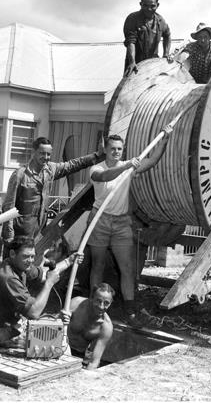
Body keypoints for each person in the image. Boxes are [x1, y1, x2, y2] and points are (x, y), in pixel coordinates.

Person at [87, 127, 172, 327]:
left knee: (127, 268)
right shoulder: (96, 169)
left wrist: (165, 139)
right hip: (99, 220)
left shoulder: (128, 166)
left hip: (121, 222)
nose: (117, 152)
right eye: (113, 149)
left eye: (120, 149)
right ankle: (93, 308)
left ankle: (130, 311)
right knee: (97, 265)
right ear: (105, 150)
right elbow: (105, 177)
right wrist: (126, 167)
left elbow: (151, 160)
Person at [0, 238, 82, 348]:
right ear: (13, 254)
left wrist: (69, 261)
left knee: (52, 329)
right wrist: (49, 283)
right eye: (26, 256)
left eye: (32, 256)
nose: (30, 260)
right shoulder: (9, 278)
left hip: (7, 326)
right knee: (54, 343)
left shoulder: (19, 265)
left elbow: (44, 274)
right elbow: (34, 313)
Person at [1, 137, 104, 245]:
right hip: (20, 232)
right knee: (13, 261)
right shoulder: (20, 175)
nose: (45, 157)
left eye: (48, 154)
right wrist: (9, 235)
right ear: (34, 152)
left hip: (38, 232)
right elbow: (8, 206)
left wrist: (97, 155)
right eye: (42, 153)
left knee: (31, 260)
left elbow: (74, 164)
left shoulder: (50, 169)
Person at [61, 283, 115, 370]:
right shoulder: (76, 303)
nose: (101, 306)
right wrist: (61, 318)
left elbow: (94, 362)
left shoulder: (106, 327)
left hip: (78, 356)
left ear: (111, 303)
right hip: (59, 347)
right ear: (91, 298)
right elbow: (55, 325)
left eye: (106, 303)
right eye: (98, 300)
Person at [123, 0, 171, 76]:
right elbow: (131, 42)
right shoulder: (132, 18)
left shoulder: (160, 20)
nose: (149, 9)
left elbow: (167, 35)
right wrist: (132, 62)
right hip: (135, 65)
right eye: (145, 5)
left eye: (152, 6)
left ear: (157, 5)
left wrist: (166, 54)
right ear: (140, 4)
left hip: (153, 65)